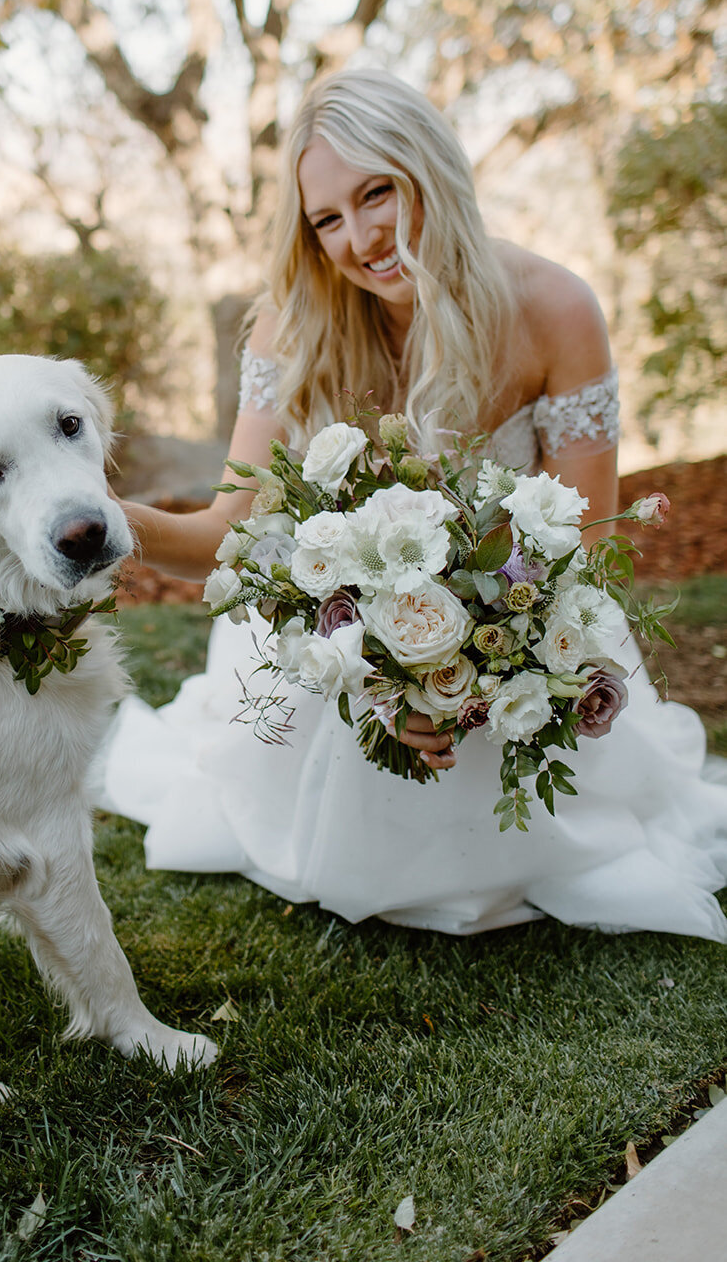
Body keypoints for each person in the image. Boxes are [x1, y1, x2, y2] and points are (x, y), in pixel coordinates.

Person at [98, 67, 727, 939]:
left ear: (428, 168)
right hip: (335, 636)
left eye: (376, 193)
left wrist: (465, 673)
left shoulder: (554, 309)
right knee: (301, 700)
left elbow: (580, 555)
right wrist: (96, 525)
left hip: (518, 623)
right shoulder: (296, 321)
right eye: (326, 219)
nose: (358, 238)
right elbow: (225, 538)